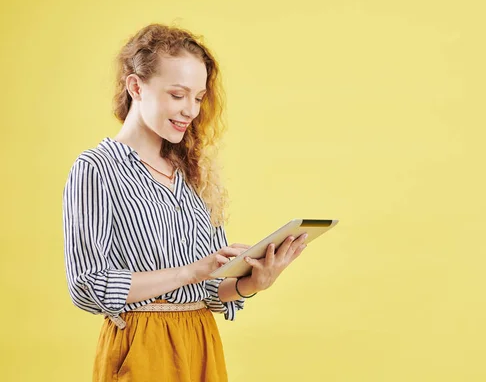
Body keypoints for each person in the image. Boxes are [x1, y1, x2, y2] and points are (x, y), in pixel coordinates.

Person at [62, 23, 308, 382]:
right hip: (141, 344)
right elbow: (87, 285)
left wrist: (253, 282)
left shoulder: (193, 173)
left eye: (198, 97)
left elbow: (209, 289)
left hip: (201, 339)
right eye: (178, 95)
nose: (191, 110)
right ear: (136, 87)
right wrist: (191, 270)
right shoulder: (97, 169)